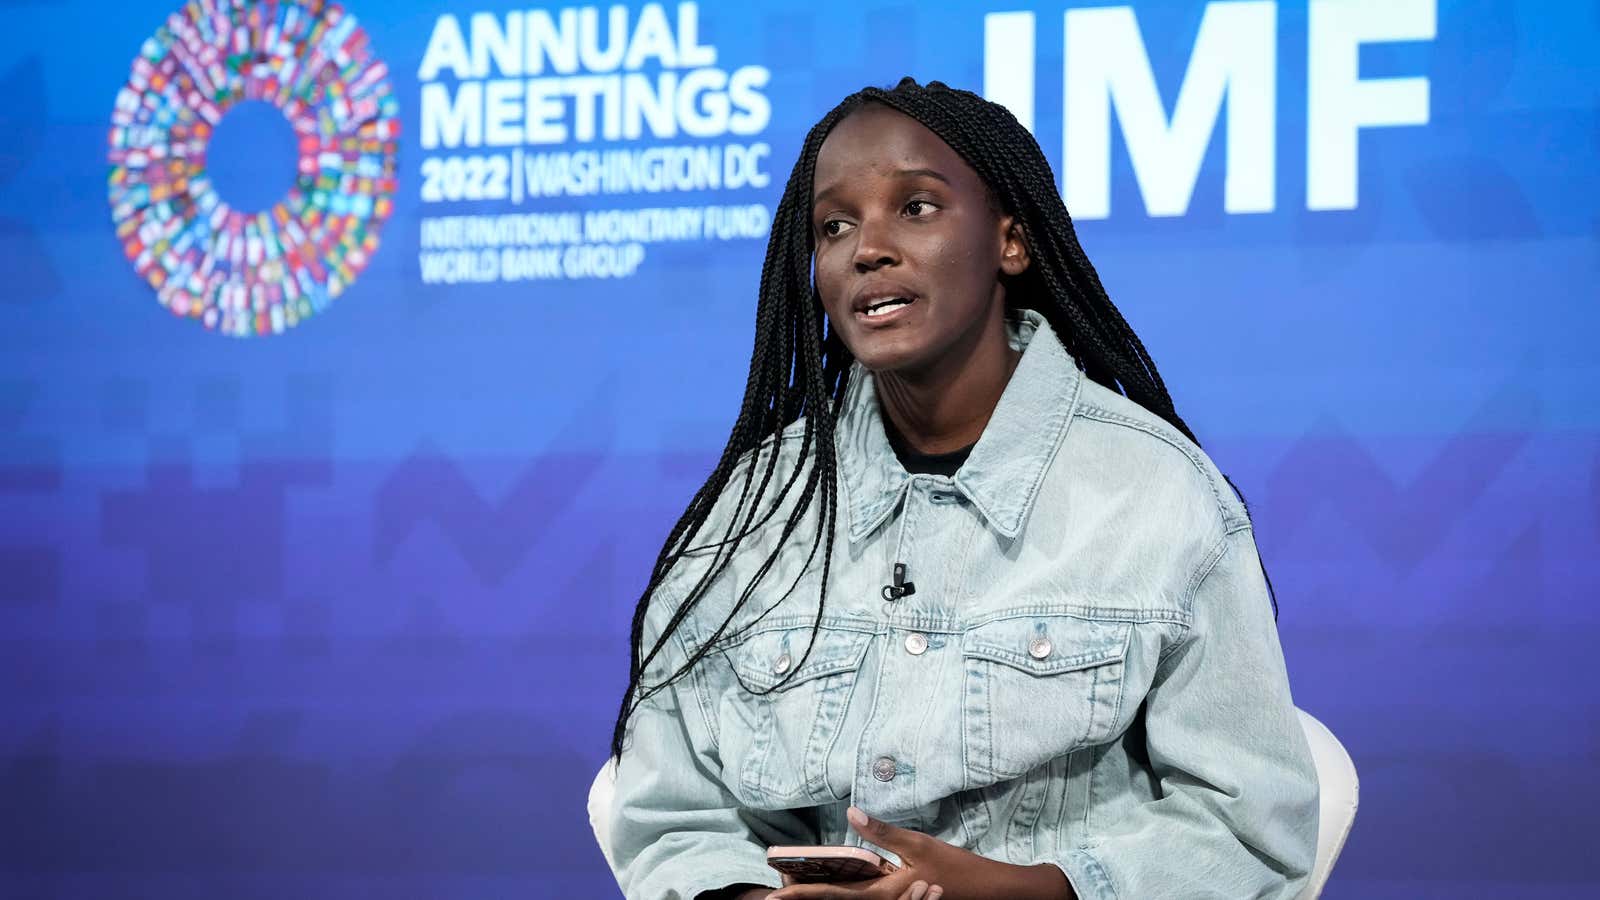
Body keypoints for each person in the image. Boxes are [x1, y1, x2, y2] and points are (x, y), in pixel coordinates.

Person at [604, 77, 1319, 900]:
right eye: (835, 225)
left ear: (1010, 240)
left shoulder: (1159, 494)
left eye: (916, 207)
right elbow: (670, 814)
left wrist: (1038, 892)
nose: (867, 246)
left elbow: (1252, 829)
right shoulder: (750, 512)